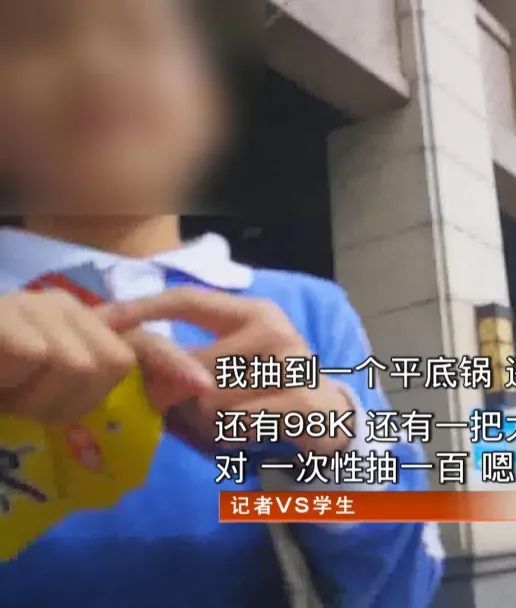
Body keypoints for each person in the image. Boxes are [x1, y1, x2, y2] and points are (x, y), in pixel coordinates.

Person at [0, 1, 442, 606]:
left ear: (211, 96)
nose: (95, 62)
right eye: (38, 35)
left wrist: (338, 446)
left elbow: (404, 584)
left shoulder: (307, 312)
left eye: (142, 34)